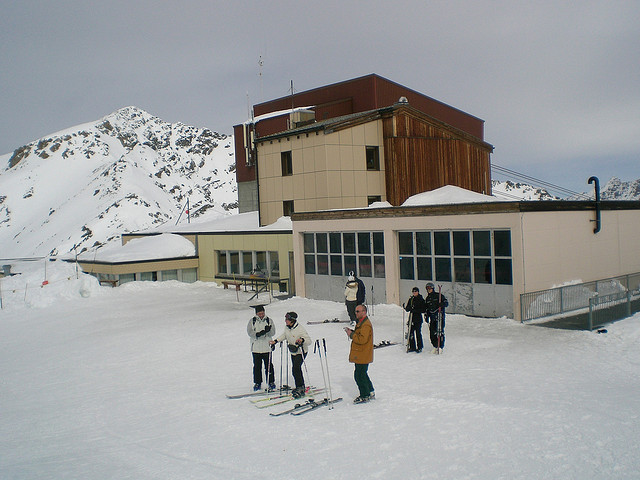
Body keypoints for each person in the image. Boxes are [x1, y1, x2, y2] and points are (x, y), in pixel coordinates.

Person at [270, 312, 312, 398]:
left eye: (287, 320)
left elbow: (309, 341)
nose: (285, 321)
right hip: (293, 351)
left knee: (296, 369)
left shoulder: (300, 329)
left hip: (301, 352)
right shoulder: (287, 328)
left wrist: (302, 340)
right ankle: (300, 386)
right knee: (296, 369)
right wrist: (276, 341)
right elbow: (284, 335)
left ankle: (300, 387)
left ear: (292, 320)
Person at [344, 304, 375, 403]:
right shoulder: (361, 322)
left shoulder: (365, 324)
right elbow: (360, 334)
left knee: (359, 375)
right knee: (362, 373)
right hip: (361, 353)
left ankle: (365, 395)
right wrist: (352, 332)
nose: (356, 313)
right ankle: (370, 391)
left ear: (364, 312)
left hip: (363, 354)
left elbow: (362, 339)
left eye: (358, 311)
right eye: (356, 311)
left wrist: (351, 334)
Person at [246, 305, 276, 391]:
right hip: (256, 348)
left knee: (269, 366)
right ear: (256, 313)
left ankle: (271, 381)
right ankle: (257, 382)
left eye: (262, 313)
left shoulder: (269, 320)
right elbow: (250, 332)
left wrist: (268, 331)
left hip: (266, 347)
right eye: (259, 314)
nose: (261, 315)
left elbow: (273, 332)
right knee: (257, 366)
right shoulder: (252, 321)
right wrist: (258, 334)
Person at [424, 282, 449, 353]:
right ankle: (435, 345)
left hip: (439, 316)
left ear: (433, 288)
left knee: (439, 331)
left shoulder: (439, 296)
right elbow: (427, 308)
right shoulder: (428, 298)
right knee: (432, 332)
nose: (429, 290)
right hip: (432, 317)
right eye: (427, 289)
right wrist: (426, 315)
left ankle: (440, 346)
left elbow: (446, 303)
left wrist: (441, 304)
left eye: (430, 288)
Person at [404, 287, 426, 352]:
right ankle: (412, 346)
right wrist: (407, 308)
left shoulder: (421, 299)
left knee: (418, 333)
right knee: (410, 332)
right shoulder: (411, 299)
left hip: (418, 318)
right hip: (411, 318)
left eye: (415, 291)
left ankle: (419, 347)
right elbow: (408, 308)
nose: (414, 293)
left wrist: (415, 310)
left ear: (418, 292)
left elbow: (423, 309)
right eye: (413, 291)